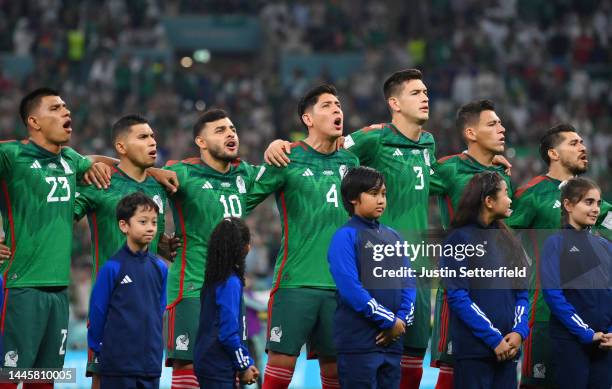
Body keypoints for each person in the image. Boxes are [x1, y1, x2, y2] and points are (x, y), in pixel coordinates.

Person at [246, 84, 359, 389]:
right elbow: (242, 200)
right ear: (308, 119)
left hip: (342, 286)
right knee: (280, 367)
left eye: (339, 104)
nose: (337, 110)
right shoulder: (287, 157)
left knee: (336, 372)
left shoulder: (353, 164)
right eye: (327, 105)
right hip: (295, 282)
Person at [0, 88, 110, 387]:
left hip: (59, 291)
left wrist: (154, 171)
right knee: (9, 378)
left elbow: (109, 165)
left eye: (66, 107)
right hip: (21, 286)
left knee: (44, 380)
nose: (67, 112)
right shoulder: (11, 155)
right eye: (56, 108)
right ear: (34, 122)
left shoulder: (72, 160)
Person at [507, 124, 611, 388]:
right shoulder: (531, 194)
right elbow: (502, 241)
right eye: (574, 143)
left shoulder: (600, 206)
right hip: (543, 313)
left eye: (583, 142)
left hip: (594, 318)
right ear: (553, 153)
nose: (583, 147)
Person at [163, 108, 258, 389]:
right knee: (188, 364)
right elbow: (142, 188)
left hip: (229, 287)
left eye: (233, 129)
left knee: (227, 362)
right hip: (191, 287)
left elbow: (280, 172)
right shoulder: (182, 172)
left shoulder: (245, 173)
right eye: (220, 130)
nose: (231, 133)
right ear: (200, 142)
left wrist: (279, 145)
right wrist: (157, 239)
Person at [74, 114, 171, 388]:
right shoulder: (100, 181)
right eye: (142, 137)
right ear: (121, 147)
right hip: (111, 309)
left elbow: (155, 241)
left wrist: (165, 242)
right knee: (102, 380)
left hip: (148, 312)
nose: (152, 142)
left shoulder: (158, 187)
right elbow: (59, 216)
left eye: (152, 136)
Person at [428, 99, 513, 387]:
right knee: (452, 373)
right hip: (461, 288)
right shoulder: (448, 169)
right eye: (492, 124)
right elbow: (405, 186)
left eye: (501, 123)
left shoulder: (502, 176)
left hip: (497, 288)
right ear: (471, 133)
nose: (502, 129)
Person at [328, 166, 416, 388]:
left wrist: (401, 321)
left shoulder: (394, 236)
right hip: (359, 344)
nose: (381, 200)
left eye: (384, 194)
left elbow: (408, 282)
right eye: (374, 194)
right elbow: (351, 290)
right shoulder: (344, 237)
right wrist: (389, 321)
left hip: (393, 344)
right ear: (353, 198)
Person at [442, 171, 530, 389]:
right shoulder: (458, 239)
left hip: (508, 351)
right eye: (506, 193)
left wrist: (519, 332)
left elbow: (522, 294)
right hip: (475, 353)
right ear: (489, 201)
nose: (511, 200)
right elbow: (458, 297)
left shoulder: (510, 241)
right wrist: (494, 339)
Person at [88, 192, 168, 389]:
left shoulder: (161, 268)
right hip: (118, 365)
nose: (150, 228)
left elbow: (160, 309)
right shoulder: (112, 267)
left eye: (154, 222)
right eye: (143, 221)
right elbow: (98, 311)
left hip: (150, 364)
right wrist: (98, 347)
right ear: (124, 226)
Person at [540, 177, 612, 389]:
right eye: (588, 202)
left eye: (598, 203)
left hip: (605, 343)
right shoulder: (556, 243)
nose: (596, 209)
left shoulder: (605, 246)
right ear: (569, 205)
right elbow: (553, 295)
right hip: (571, 341)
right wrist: (586, 333)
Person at [194, 217, 260, 388]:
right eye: (247, 242)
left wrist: (244, 361)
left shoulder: (213, 279)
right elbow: (228, 334)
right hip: (218, 366)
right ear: (243, 249)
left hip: (209, 361)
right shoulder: (230, 283)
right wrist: (244, 366)